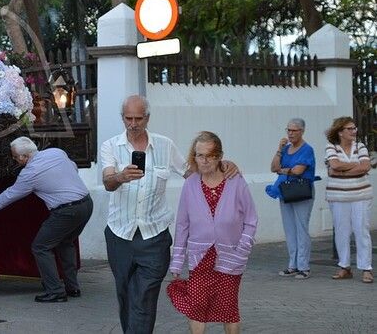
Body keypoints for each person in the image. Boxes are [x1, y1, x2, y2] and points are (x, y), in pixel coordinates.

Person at [100, 95, 238, 334]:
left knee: (144, 296)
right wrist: (121, 177)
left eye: (138, 118)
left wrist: (220, 165)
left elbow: (192, 174)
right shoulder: (110, 146)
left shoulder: (164, 145)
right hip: (119, 235)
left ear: (147, 118)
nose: (133, 124)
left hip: (154, 237)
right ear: (122, 118)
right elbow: (107, 182)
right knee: (126, 294)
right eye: (128, 118)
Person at [0, 137, 93, 302]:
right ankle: (72, 287)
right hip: (86, 204)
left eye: (15, 157)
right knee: (66, 243)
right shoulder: (56, 152)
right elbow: (72, 167)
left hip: (66, 211)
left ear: (24, 157)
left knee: (40, 247)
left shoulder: (30, 173)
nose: (15, 160)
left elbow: (10, 194)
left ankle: (56, 291)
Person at [167, 131, 258, 334]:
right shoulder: (190, 184)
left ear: (219, 156)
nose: (205, 160)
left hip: (230, 256)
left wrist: (243, 249)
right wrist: (177, 260)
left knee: (229, 309)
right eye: (200, 155)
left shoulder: (235, 181)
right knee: (197, 308)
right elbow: (182, 224)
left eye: (210, 155)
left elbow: (251, 220)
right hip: (199, 258)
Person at [264, 118, 316, 279]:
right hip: (285, 191)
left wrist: (282, 170)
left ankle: (304, 266)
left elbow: (298, 171)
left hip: (301, 191)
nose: (290, 133)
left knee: (301, 228)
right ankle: (292, 265)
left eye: (294, 130)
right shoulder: (286, 149)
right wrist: (279, 150)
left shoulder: (307, 149)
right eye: (288, 130)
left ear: (302, 131)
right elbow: (273, 167)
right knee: (290, 229)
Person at [324, 117, 373, 283]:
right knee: (341, 231)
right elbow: (334, 165)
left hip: (361, 195)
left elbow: (365, 166)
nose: (354, 131)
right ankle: (344, 266)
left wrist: (342, 171)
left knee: (361, 230)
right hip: (338, 196)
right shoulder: (331, 146)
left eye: (354, 128)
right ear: (340, 132)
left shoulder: (361, 146)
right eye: (349, 129)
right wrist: (355, 166)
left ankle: (366, 268)